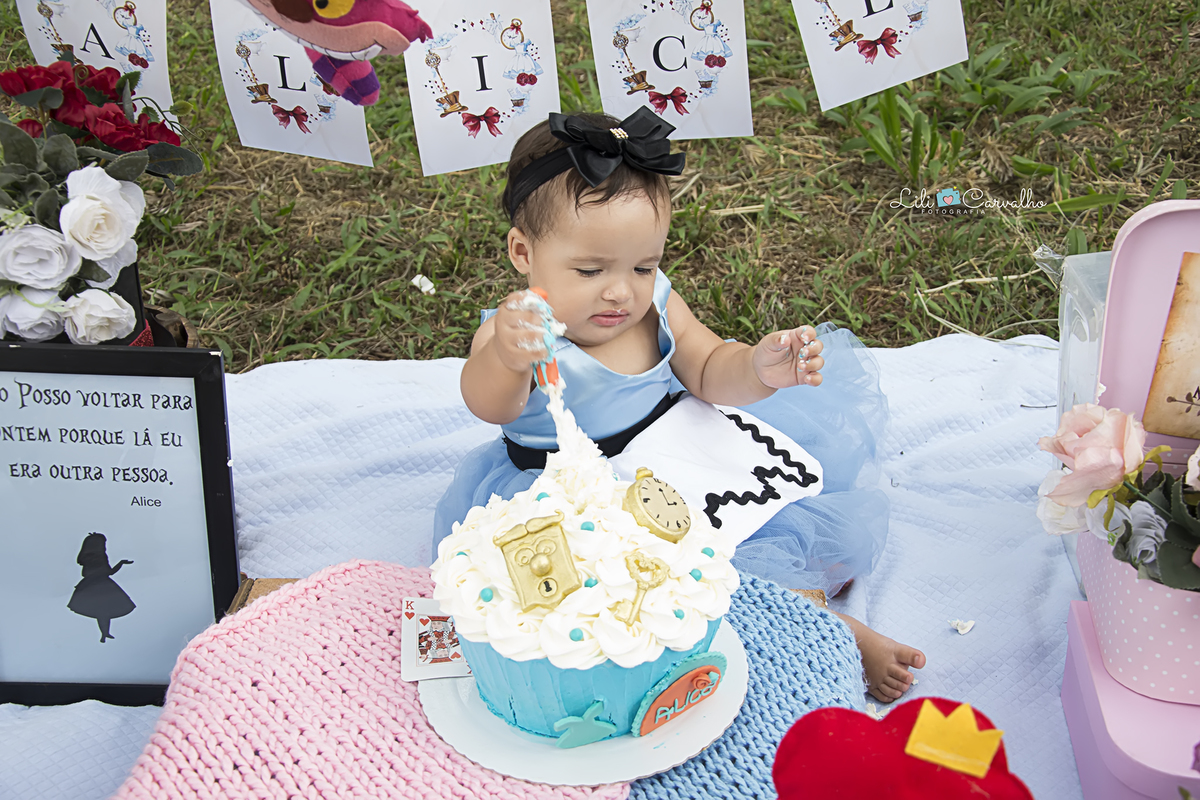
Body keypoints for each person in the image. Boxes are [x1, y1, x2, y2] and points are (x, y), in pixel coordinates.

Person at [433, 109, 924, 702]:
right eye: (590, 270)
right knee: (659, 590)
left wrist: (757, 369)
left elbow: (709, 368)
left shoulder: (655, 303)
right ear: (522, 252)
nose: (621, 290)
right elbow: (489, 404)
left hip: (679, 449)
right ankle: (835, 631)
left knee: (755, 530)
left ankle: (813, 594)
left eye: (643, 265)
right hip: (574, 493)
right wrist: (507, 360)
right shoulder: (518, 330)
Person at [68, 533, 136, 643]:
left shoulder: (86, 559)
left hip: (91, 586)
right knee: (105, 611)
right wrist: (121, 563)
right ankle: (105, 633)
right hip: (102, 586)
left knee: (102, 611)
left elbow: (89, 572)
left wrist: (121, 563)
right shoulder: (100, 557)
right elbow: (109, 572)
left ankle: (105, 633)